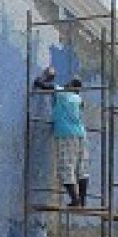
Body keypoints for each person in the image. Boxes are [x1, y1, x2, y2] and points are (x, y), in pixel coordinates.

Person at [33, 66, 89, 207]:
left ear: (71, 87)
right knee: (81, 167)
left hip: (66, 134)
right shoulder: (79, 100)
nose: (67, 83)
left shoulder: (62, 93)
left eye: (69, 83)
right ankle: (82, 200)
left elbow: (40, 85)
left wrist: (46, 77)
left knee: (66, 167)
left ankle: (75, 200)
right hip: (81, 134)